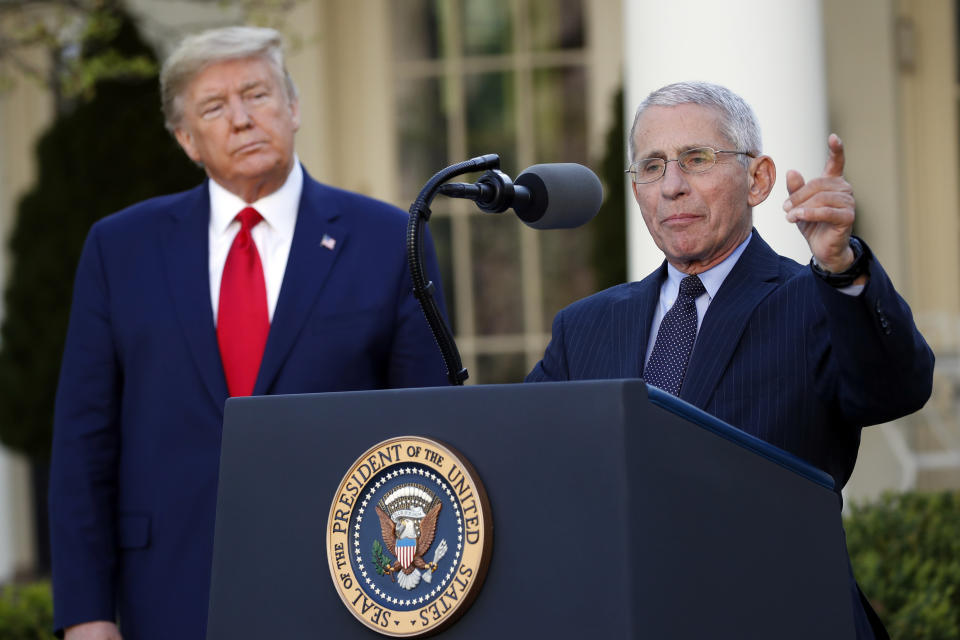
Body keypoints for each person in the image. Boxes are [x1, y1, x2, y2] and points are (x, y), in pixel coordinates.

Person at [49, 26, 448, 640]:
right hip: (169, 589)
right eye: (214, 107)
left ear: (293, 107)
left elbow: (430, 432)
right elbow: (82, 444)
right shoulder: (119, 249)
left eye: (257, 95)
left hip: (347, 591)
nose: (241, 119)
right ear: (187, 140)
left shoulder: (389, 242)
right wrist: (85, 613)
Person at [527, 81, 934, 639]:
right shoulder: (585, 327)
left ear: (758, 179)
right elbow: (529, 465)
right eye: (651, 166)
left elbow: (897, 388)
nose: (672, 186)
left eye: (696, 159)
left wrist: (843, 267)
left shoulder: (816, 301)